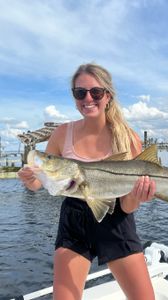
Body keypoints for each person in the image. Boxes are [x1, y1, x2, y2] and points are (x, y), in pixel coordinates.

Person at [18, 63, 156, 300]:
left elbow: (127, 207)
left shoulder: (128, 138)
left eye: (96, 92)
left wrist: (137, 195)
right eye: (80, 92)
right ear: (74, 96)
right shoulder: (62, 133)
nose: (88, 98)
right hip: (74, 221)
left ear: (108, 95)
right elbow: (41, 184)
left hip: (117, 222)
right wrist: (30, 180)